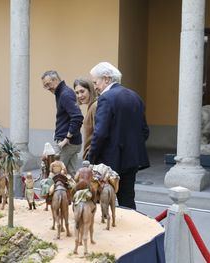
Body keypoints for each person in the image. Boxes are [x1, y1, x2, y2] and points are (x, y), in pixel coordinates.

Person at [87, 62, 149, 210]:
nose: (94, 87)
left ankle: (110, 230)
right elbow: (145, 131)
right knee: (128, 200)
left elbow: (100, 133)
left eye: (95, 82)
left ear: (106, 79)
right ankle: (131, 231)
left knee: (105, 200)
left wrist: (91, 158)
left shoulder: (106, 98)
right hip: (132, 159)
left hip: (109, 162)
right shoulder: (135, 97)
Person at [41, 70, 84, 176]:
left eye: (48, 84)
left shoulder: (65, 94)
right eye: (45, 86)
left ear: (55, 80)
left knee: (55, 174)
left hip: (67, 144)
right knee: (70, 175)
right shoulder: (62, 92)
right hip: (72, 142)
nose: (47, 88)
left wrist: (66, 139)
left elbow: (77, 117)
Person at [73, 78, 97, 160]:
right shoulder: (91, 106)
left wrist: (90, 155)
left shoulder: (95, 106)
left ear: (90, 90)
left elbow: (98, 134)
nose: (79, 95)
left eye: (82, 91)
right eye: (77, 93)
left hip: (93, 155)